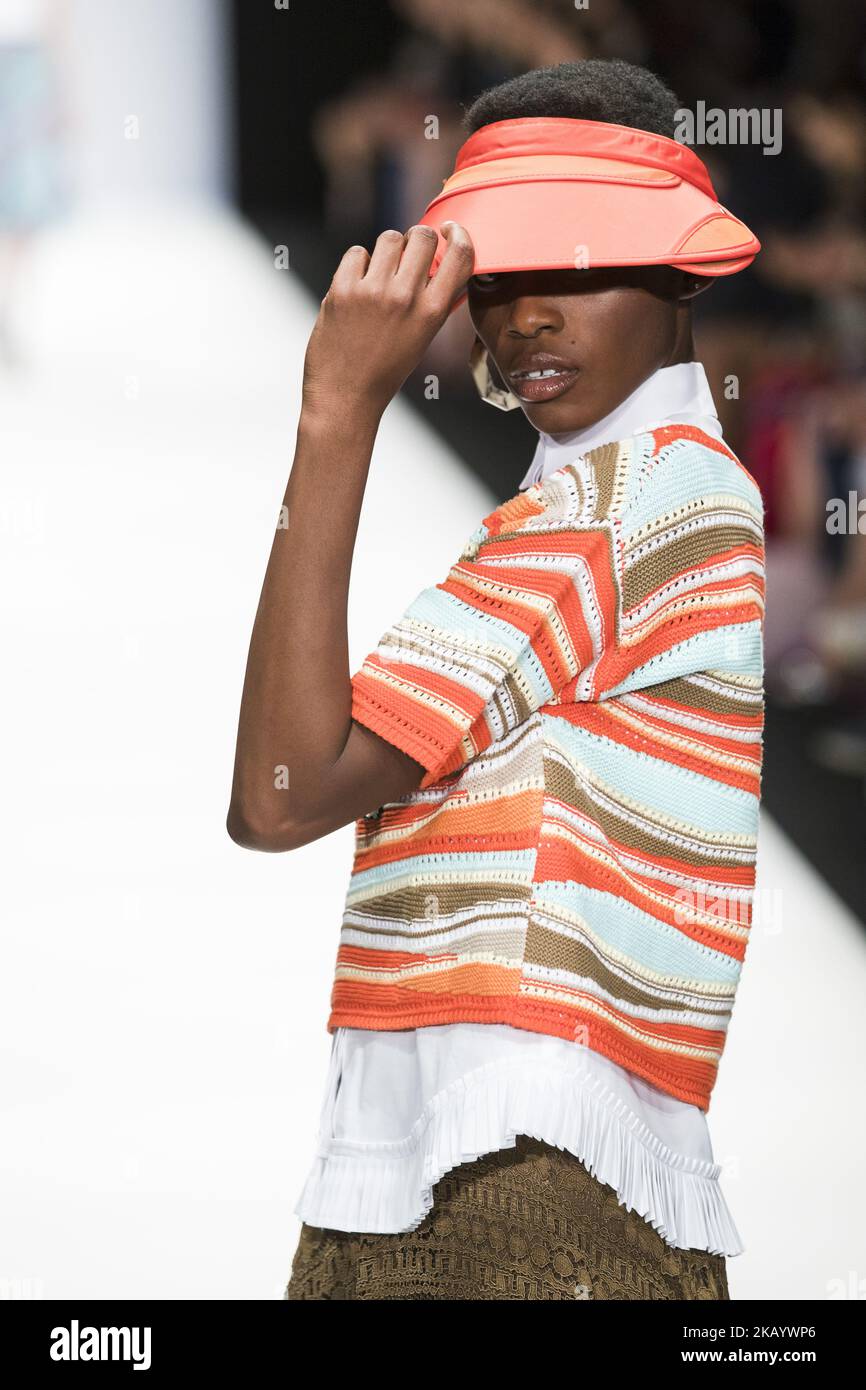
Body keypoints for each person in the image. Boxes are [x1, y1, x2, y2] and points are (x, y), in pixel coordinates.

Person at [227, 59, 766, 1301]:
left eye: (573, 265)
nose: (522, 313)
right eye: (498, 277)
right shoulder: (640, 499)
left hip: (517, 1186)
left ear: (678, 269)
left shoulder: (618, 510)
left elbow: (277, 792)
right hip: (483, 1166)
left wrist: (334, 413)